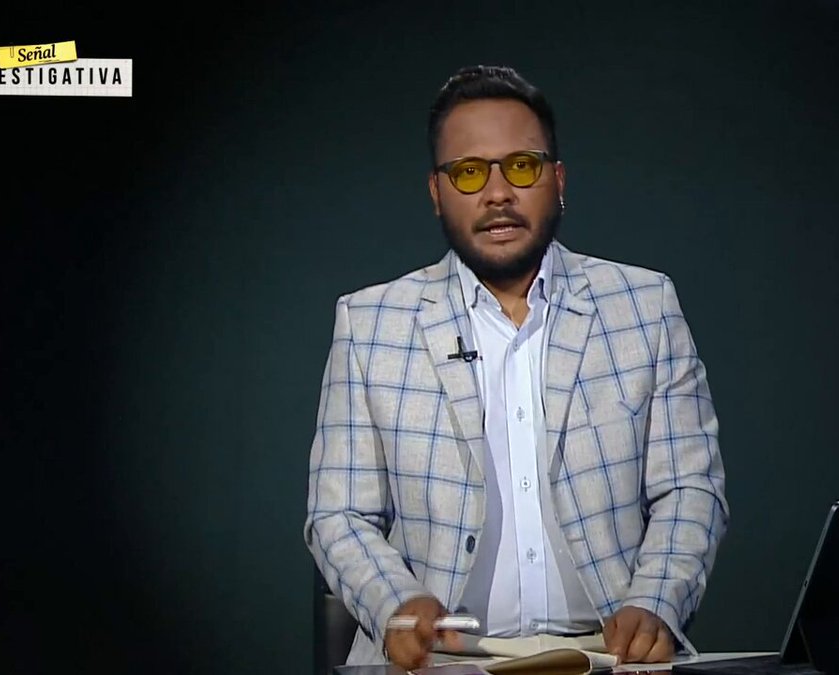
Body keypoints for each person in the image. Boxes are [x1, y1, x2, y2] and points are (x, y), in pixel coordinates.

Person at [304, 65, 728, 669]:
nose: (498, 193)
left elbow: (689, 489)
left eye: (522, 166)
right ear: (437, 192)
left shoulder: (644, 306)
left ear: (558, 180)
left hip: (608, 656)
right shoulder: (372, 323)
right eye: (469, 172)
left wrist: (654, 602)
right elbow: (339, 513)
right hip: (439, 661)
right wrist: (395, 603)